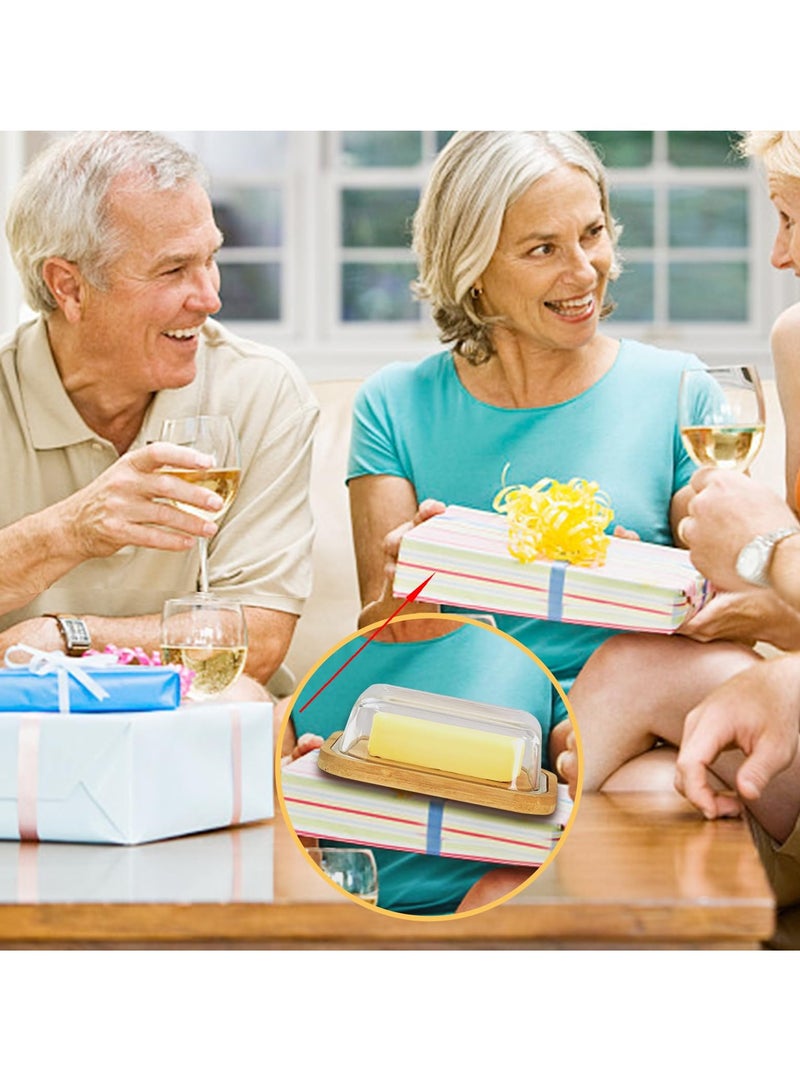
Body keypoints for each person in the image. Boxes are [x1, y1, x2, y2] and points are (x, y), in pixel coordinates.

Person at [346, 130, 759, 796]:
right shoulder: (394, 406)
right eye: (543, 248)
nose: (584, 270)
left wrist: (643, 578)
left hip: (644, 713)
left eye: (592, 233)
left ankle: (566, 770)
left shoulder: (679, 391)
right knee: (654, 793)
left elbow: (737, 594)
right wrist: (420, 586)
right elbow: (384, 632)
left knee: (671, 778)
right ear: (473, 266)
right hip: (472, 717)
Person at [0, 131, 318, 694]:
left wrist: (68, 638)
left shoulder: (259, 393)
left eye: (210, 259)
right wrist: (69, 531)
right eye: (173, 270)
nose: (209, 297)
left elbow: (259, 640)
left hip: (197, 730)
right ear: (68, 286)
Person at [281, 614, 561, 916]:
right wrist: (300, 812)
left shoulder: (523, 663)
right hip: (349, 909)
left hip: (489, 910)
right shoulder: (318, 683)